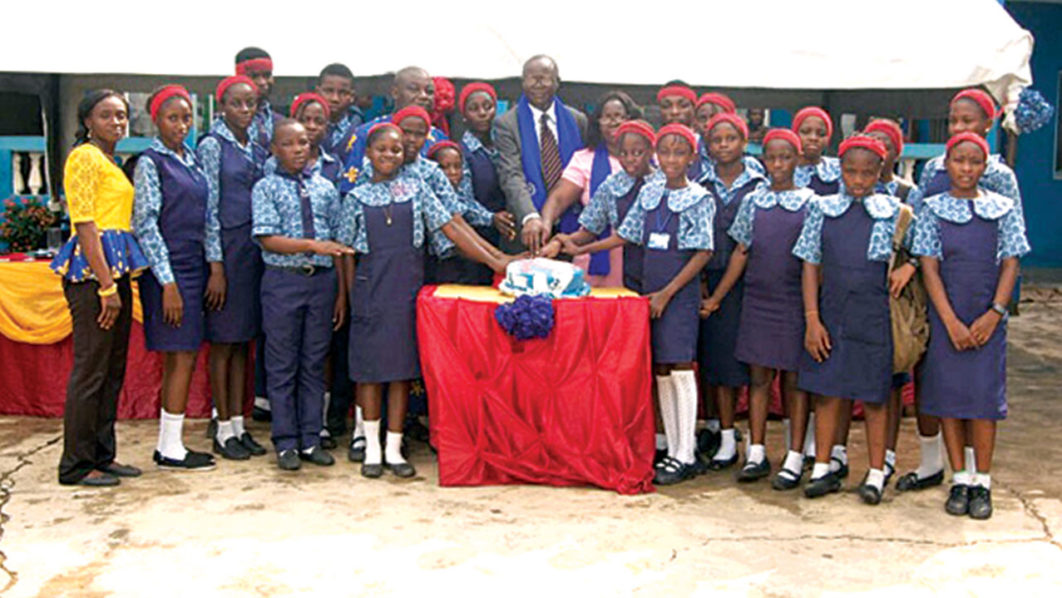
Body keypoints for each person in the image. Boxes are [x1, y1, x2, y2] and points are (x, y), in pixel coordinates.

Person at [337, 123, 515, 479]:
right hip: (370, 292)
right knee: (369, 373)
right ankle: (371, 448)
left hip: (406, 291)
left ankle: (393, 449)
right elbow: (345, 252)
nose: (389, 155)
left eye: (396, 150)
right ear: (368, 154)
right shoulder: (355, 198)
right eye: (382, 149)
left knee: (402, 371)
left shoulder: (417, 190)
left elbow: (451, 226)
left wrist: (495, 261)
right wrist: (349, 296)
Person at [898, 88, 1023, 493]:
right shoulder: (934, 168)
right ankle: (934, 464)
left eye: (968, 121)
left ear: (989, 124)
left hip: (981, 293)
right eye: (953, 120)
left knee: (978, 389)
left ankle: (973, 475)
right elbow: (919, 223)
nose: (958, 127)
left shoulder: (1000, 176)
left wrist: (997, 309)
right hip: (937, 290)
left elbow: (1011, 247)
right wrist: (911, 265)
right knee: (934, 380)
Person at [792, 135, 913, 505]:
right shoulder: (822, 208)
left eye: (867, 173)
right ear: (840, 170)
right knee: (828, 391)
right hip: (831, 312)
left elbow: (924, 249)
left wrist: (909, 266)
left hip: (874, 315)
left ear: (880, 171)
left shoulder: (894, 211)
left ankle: (876, 472)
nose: (858, 180)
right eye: (850, 172)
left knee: (875, 396)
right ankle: (823, 466)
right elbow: (809, 264)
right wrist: (812, 319)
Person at [51, 90, 150, 486]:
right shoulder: (84, 157)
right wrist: (106, 285)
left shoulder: (111, 161)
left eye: (121, 115)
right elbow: (85, 224)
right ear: (87, 121)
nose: (116, 122)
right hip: (94, 275)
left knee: (111, 369)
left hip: (117, 271)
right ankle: (76, 465)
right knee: (91, 370)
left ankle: (102, 455)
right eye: (106, 115)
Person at [711, 129, 814, 487]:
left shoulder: (811, 203)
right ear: (763, 160)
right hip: (758, 299)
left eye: (785, 157)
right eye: (771, 157)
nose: (778, 164)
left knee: (795, 381)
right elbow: (741, 252)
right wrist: (718, 296)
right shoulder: (753, 201)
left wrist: (814, 312)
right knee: (759, 378)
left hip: (794, 300)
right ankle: (756, 451)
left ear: (797, 160)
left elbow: (814, 260)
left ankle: (795, 455)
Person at [615, 123, 714, 485]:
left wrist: (667, 293)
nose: (671, 159)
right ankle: (672, 448)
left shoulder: (700, 197)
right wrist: (579, 245)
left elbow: (703, 251)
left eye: (679, 152)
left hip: (676, 294)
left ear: (692, 157)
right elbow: (624, 234)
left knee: (681, 366)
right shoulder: (650, 193)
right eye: (665, 152)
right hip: (651, 292)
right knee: (661, 369)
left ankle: (685, 453)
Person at [251, 119, 351, 471]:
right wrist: (311, 245)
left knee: (314, 361)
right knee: (282, 363)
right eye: (289, 144)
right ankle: (285, 441)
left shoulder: (325, 188)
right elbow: (266, 238)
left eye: (304, 143)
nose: (298, 150)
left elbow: (338, 243)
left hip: (322, 283)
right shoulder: (265, 187)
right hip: (283, 282)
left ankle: (311, 437)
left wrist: (341, 293)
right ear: (274, 149)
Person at [133, 85, 219, 470]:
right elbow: (146, 224)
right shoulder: (151, 163)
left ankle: (170, 443)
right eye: (173, 118)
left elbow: (209, 217)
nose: (181, 125)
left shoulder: (193, 161)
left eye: (186, 118)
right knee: (180, 355)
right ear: (157, 120)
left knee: (185, 354)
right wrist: (167, 282)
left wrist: (214, 265)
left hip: (195, 265)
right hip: (168, 269)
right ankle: (170, 447)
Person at [198, 76, 271, 460]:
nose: (245, 110)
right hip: (226, 250)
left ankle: (240, 425)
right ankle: (222, 426)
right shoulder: (213, 145)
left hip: (252, 251)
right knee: (224, 342)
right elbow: (208, 208)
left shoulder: (256, 147)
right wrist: (216, 265)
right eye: (237, 103)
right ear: (222, 105)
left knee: (244, 342)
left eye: (250, 104)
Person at [695, 113, 766, 470]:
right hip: (710, 280)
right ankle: (725, 439)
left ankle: (757, 443)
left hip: (754, 283)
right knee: (720, 363)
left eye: (731, 138)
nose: (724, 145)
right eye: (716, 140)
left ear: (744, 141)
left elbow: (747, 245)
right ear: (708, 146)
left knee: (756, 366)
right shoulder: (700, 184)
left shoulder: (760, 184)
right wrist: (705, 287)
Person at [538, 90, 639, 287]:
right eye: (607, 116)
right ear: (597, 122)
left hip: (639, 258)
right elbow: (559, 198)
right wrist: (546, 225)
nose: (614, 122)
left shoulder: (651, 162)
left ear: (630, 120)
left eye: (619, 116)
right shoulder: (584, 159)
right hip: (594, 255)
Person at [495, 54, 588, 254]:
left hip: (571, 231)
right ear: (523, 82)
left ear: (557, 82)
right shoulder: (507, 124)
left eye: (544, 78)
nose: (538, 84)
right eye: (532, 78)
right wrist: (529, 216)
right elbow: (511, 176)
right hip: (528, 232)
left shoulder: (578, 121)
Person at [555, 120, 657, 294]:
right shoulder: (612, 184)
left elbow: (625, 236)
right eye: (623, 153)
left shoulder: (662, 185)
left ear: (651, 151)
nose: (629, 159)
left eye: (637, 153)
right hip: (629, 269)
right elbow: (590, 229)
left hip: (660, 266)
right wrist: (561, 241)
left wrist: (580, 250)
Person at [338, 66, 448, 190]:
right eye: (414, 89)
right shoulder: (367, 133)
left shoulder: (439, 138)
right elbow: (350, 187)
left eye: (429, 91)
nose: (424, 96)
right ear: (395, 93)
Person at [427, 140, 513, 284]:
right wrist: (495, 261)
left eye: (457, 166)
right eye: (444, 167)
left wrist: (499, 257)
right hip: (445, 265)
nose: (452, 172)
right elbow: (452, 239)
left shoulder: (457, 194)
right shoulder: (432, 197)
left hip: (466, 260)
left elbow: (462, 223)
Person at [457, 82, 517, 254]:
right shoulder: (462, 153)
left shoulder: (505, 145)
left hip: (510, 234)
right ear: (464, 116)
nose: (482, 113)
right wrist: (491, 218)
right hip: (476, 239)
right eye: (474, 109)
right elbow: (462, 202)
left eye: (488, 107)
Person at [265, 93, 342, 183]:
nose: (312, 126)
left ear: (326, 126)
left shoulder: (334, 164)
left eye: (319, 121)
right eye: (304, 120)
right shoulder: (275, 163)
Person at [316, 63, 364, 159]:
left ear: (352, 96)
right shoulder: (304, 129)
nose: (335, 98)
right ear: (318, 92)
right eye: (329, 91)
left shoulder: (362, 132)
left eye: (343, 93)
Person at [235, 47, 280, 148]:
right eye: (254, 76)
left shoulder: (280, 123)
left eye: (267, 75)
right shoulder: (227, 126)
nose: (262, 82)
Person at [792, 107, 840, 195]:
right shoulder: (782, 169)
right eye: (805, 132)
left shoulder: (839, 168)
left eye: (821, 134)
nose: (813, 138)